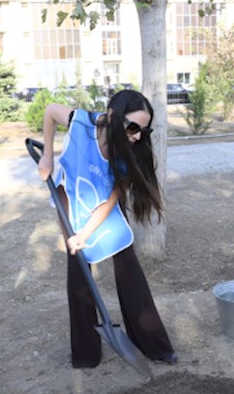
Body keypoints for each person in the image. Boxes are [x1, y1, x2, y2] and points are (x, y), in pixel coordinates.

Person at [37, 90, 177, 368]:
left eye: (143, 131)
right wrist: (47, 157)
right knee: (78, 271)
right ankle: (86, 353)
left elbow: (108, 203)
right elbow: (51, 110)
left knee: (128, 268)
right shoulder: (80, 122)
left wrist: (85, 235)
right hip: (73, 200)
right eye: (133, 127)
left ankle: (153, 344)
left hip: (104, 206)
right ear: (112, 116)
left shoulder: (128, 156)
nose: (137, 136)